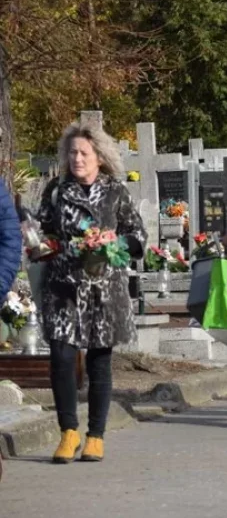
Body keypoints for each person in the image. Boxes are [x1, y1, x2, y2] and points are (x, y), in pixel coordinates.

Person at [39, 122, 145, 463]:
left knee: (100, 363)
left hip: (104, 289)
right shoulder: (56, 190)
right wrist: (40, 245)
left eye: (83, 152)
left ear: (99, 156)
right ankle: (68, 432)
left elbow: (138, 237)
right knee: (62, 358)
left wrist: (114, 240)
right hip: (64, 289)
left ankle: (95, 435)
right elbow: (44, 233)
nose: (76, 159)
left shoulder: (115, 191)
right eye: (71, 152)